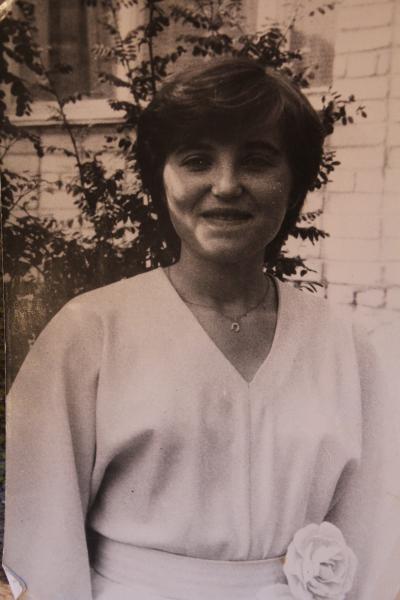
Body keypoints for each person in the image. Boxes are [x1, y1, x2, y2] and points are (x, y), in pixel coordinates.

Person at [3, 58, 397, 600]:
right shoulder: (90, 332)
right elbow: (42, 536)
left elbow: (375, 532)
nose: (226, 185)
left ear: (294, 183)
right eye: (196, 160)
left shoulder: (345, 345)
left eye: (257, 160)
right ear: (160, 179)